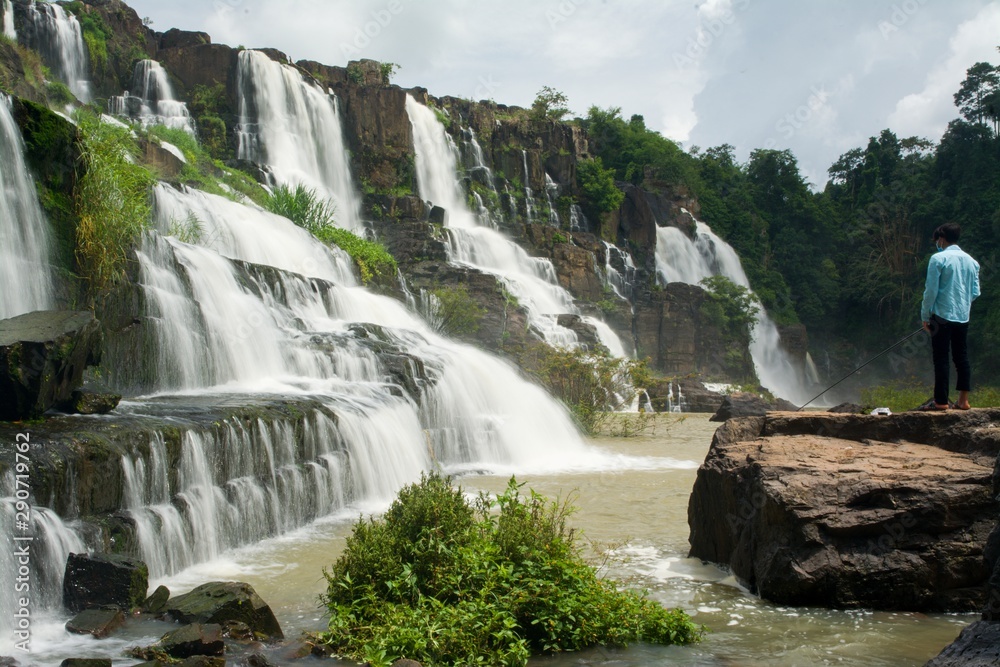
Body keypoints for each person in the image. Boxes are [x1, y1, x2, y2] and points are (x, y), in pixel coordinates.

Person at [920, 222, 980, 410]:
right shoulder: (972, 262)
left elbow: (931, 291)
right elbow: (976, 292)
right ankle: (963, 400)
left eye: (937, 239)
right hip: (963, 317)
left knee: (941, 358)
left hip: (941, 316)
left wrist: (925, 315)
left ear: (942, 238)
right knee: (961, 357)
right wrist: (962, 303)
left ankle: (941, 401)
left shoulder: (938, 259)